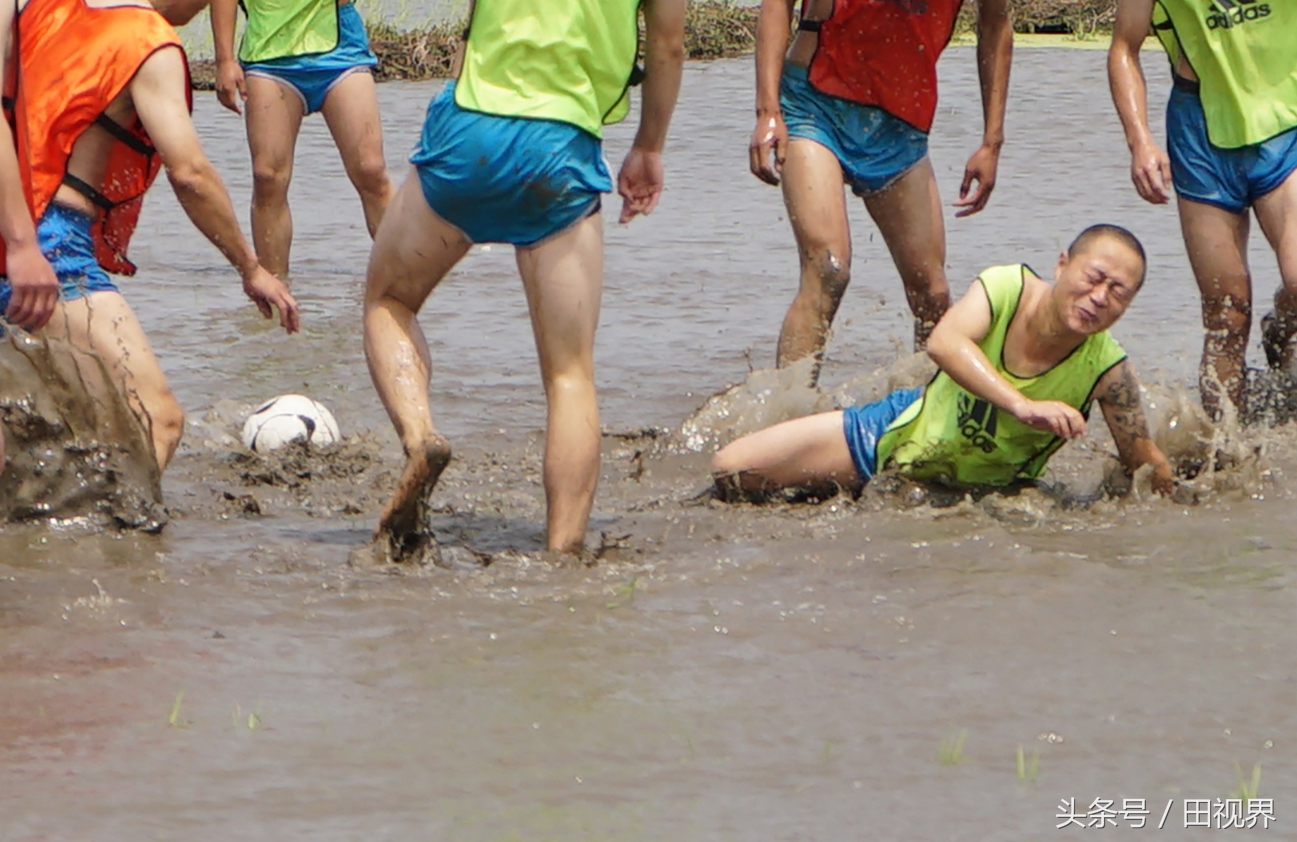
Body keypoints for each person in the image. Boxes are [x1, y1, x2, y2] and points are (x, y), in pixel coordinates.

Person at [361, 0, 686, 560]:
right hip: (560, 146)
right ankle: (563, 554)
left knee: (389, 300)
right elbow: (668, 46)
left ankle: (421, 438)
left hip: (471, 128)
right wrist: (649, 146)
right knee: (569, 373)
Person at [0, 0, 299, 473]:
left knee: (36, 433)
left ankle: (30, 545)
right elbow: (192, 175)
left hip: (13, 229)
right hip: (49, 245)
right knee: (155, 424)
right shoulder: (145, 37)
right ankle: (114, 547)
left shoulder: (35, 8)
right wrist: (251, 267)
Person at [712, 225, 1176, 498]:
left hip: (986, 494)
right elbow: (945, 342)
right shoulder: (1006, 288)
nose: (1099, 298)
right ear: (1062, 265)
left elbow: (1141, 462)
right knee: (731, 470)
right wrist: (1022, 406)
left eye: (1118, 293)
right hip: (895, 436)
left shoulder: (1107, 371)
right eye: (1094, 278)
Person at [749, 0, 1013, 380]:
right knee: (828, 269)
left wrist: (992, 142)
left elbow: (996, 26)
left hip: (900, 125)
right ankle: (788, 415)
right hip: (814, 104)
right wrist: (767, 112)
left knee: (932, 292)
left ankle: (925, 414)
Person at [1108, 0, 1297, 418]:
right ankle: (1228, 455)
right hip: (1200, 133)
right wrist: (1140, 142)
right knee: (1226, 312)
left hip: (1287, 121)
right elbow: (1124, 47)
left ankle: (1283, 325)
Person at [212, 0, 394, 278]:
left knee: (371, 169)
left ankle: (400, 282)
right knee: (268, 176)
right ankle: (274, 290)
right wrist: (225, 60)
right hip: (269, 54)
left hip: (340, 52)